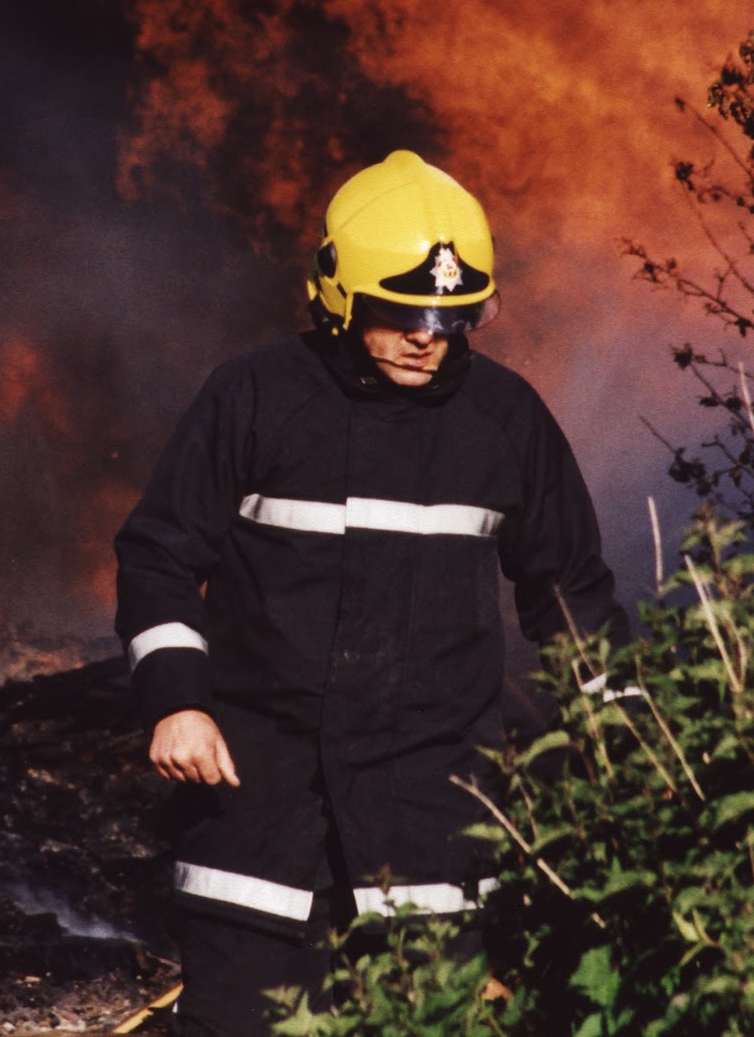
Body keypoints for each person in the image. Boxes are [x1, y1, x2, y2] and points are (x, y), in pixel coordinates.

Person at [114, 150, 628, 1037]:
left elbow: (569, 590)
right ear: (338, 296)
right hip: (259, 816)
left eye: (450, 317)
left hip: (434, 821)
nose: (428, 338)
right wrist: (178, 703)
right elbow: (158, 554)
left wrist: (627, 735)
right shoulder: (253, 397)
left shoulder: (505, 419)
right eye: (401, 313)